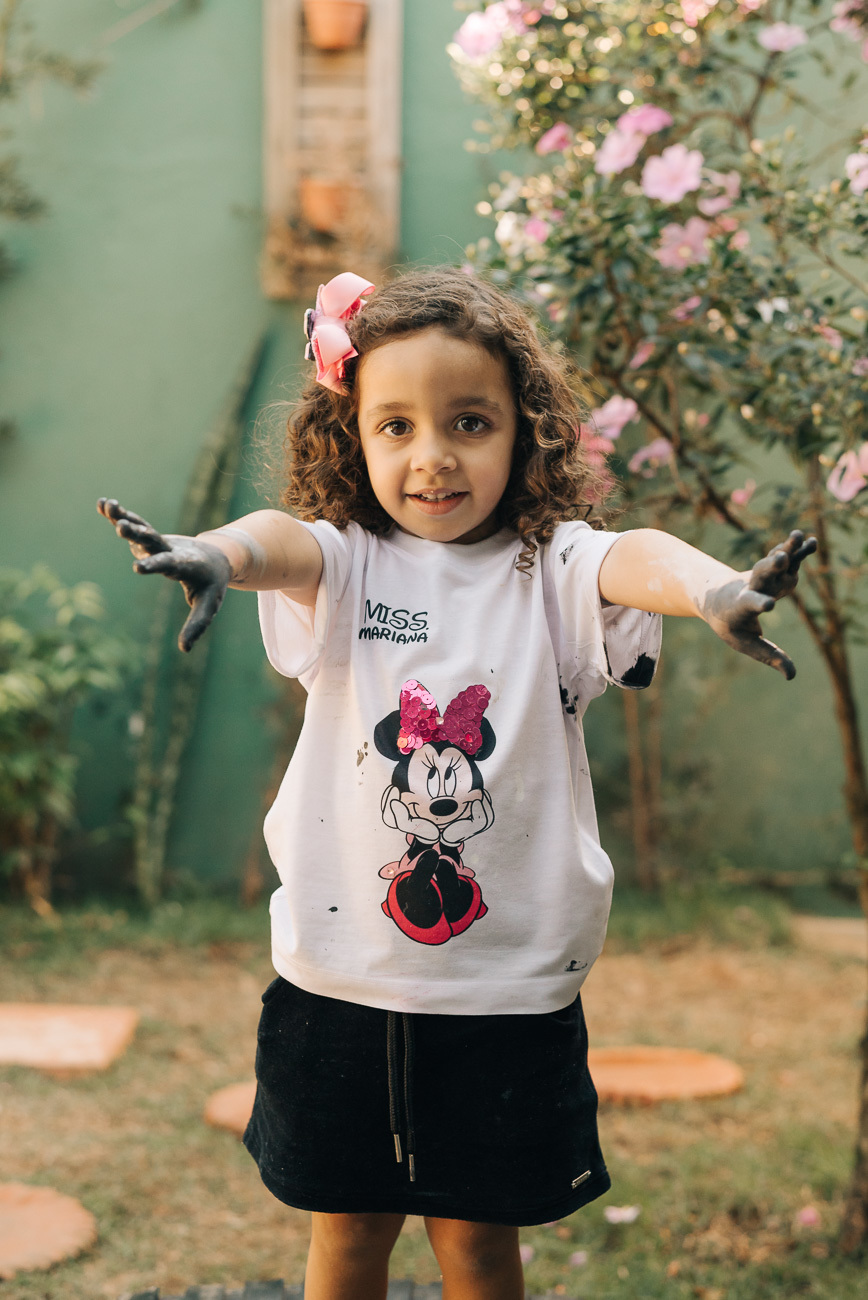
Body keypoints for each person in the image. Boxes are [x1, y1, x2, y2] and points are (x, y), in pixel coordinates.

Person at [98, 267, 815, 1300]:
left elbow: (635, 557)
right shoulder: (347, 562)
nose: (432, 455)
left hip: (507, 997)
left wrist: (715, 590)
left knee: (477, 1248)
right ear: (353, 438)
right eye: (395, 426)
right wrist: (214, 553)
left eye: (469, 422)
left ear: (527, 433)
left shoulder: (553, 571)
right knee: (347, 1237)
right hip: (339, 985)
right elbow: (278, 541)